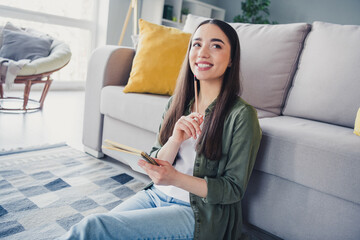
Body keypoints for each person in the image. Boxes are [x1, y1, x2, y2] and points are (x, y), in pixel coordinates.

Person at [60, 19, 261, 240]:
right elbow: (158, 160)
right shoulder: (178, 102)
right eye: (196, 44)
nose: (203, 52)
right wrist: (175, 139)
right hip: (156, 195)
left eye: (216, 45)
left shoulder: (242, 116)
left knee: (94, 227)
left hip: (199, 213)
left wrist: (175, 178)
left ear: (232, 59)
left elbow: (232, 189)